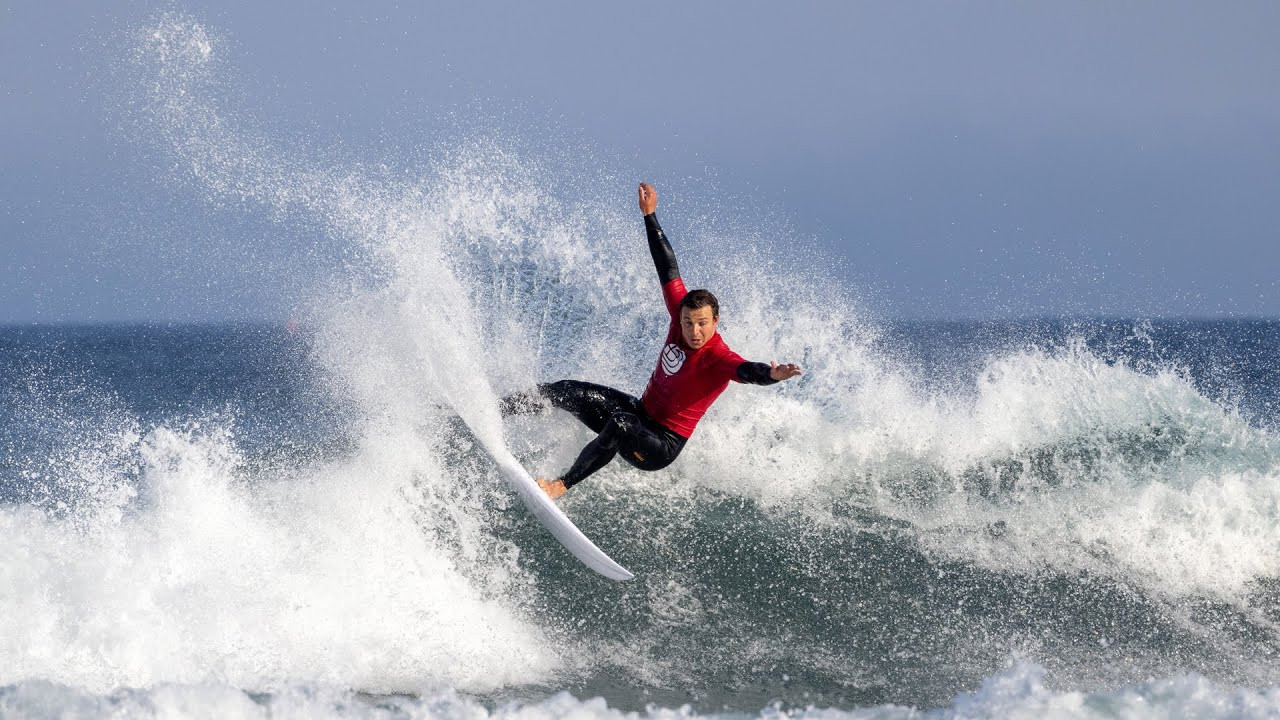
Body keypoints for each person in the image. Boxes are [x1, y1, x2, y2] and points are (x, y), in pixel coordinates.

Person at [503, 182, 803, 500]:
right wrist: (650, 216)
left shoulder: (719, 358)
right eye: (688, 322)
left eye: (702, 324)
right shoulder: (679, 313)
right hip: (640, 413)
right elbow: (667, 265)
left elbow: (747, 371)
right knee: (564, 390)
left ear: (715, 321)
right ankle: (496, 411)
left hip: (660, 445)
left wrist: (771, 375)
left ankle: (559, 486)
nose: (694, 330)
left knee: (620, 425)